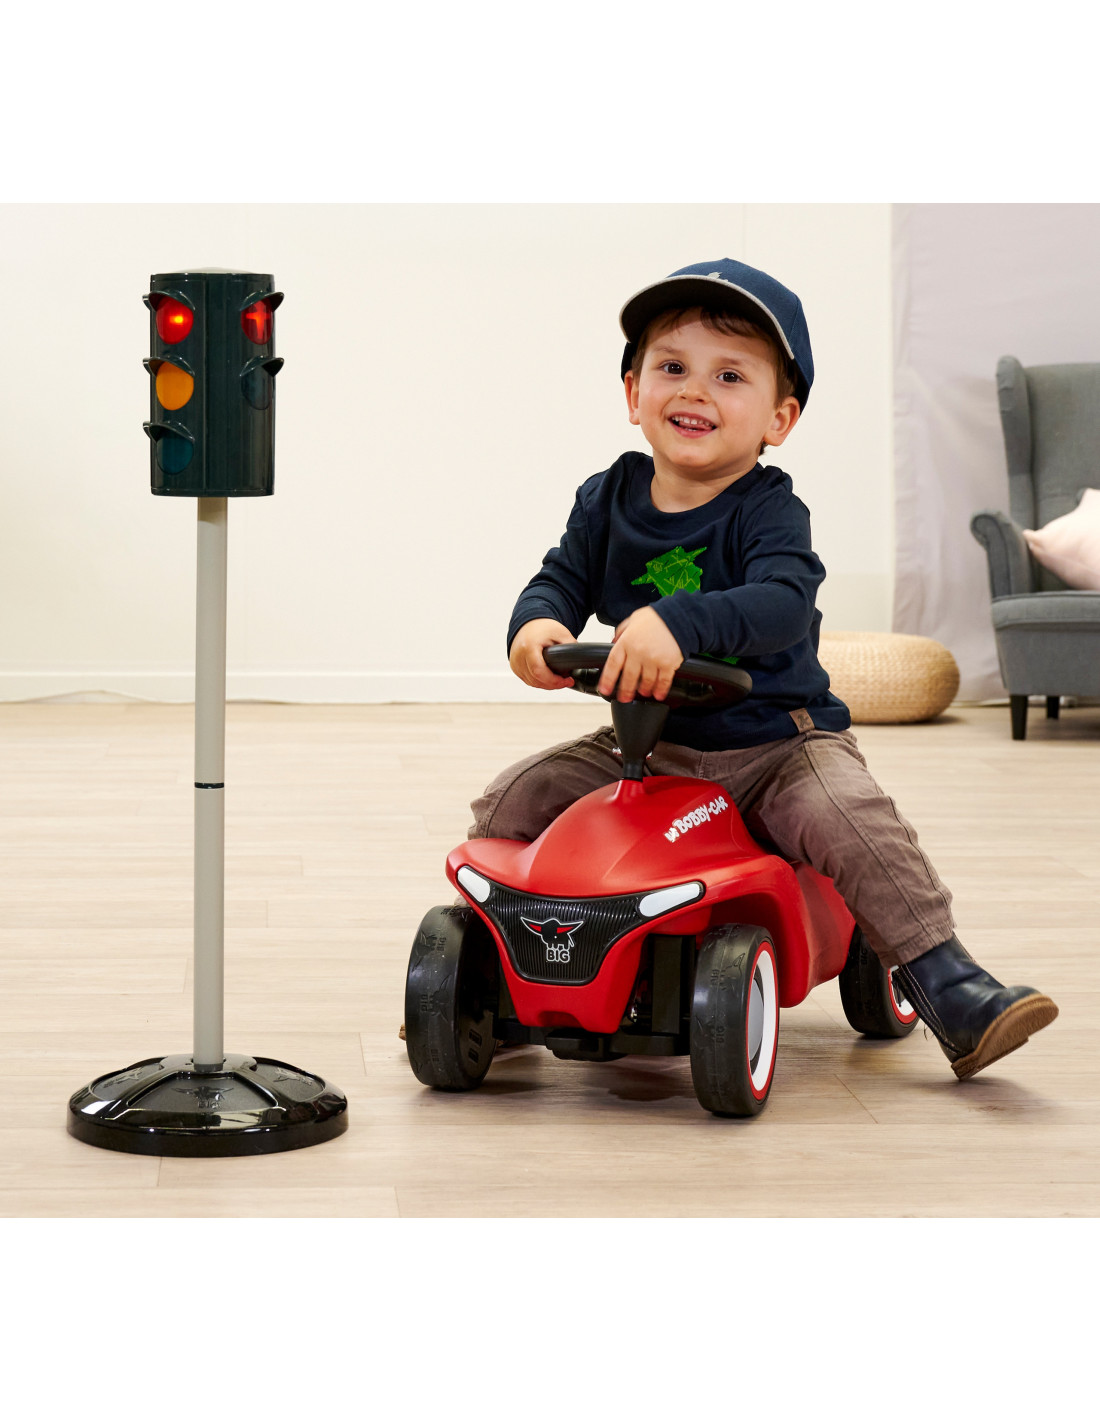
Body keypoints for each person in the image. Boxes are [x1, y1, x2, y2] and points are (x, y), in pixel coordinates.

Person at [469, 257, 1057, 1080]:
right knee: (511, 802)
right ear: (633, 392)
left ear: (780, 418)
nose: (695, 391)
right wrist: (536, 624)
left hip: (777, 743)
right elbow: (560, 578)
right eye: (672, 367)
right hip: (650, 748)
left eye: (729, 375)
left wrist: (678, 622)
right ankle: (502, 974)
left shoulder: (769, 509)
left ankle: (949, 982)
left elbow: (782, 602)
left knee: (848, 818)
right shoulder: (606, 499)